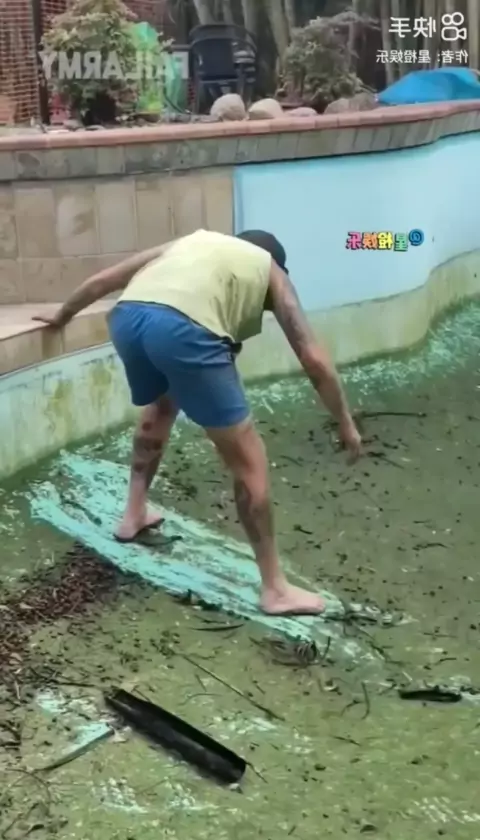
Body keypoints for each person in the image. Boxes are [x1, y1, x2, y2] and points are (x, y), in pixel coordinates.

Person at [34, 229, 361, 617]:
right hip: (182, 328)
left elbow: (104, 280)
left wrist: (62, 315)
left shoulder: (194, 243)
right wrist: (345, 423)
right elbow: (313, 358)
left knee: (161, 406)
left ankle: (133, 514)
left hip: (128, 318)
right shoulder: (271, 270)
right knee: (250, 461)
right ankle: (276, 590)